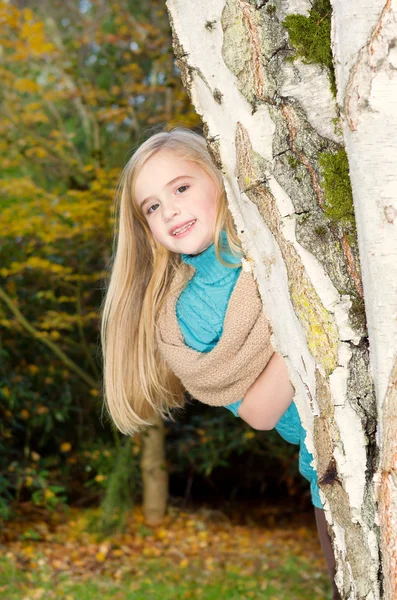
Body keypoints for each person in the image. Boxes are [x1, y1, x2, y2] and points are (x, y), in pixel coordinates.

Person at [100, 127, 341, 599]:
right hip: (331, 471)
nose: (168, 210)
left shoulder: (277, 240)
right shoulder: (185, 313)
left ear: (219, 180)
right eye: (151, 206)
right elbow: (259, 411)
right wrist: (311, 322)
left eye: (181, 188)